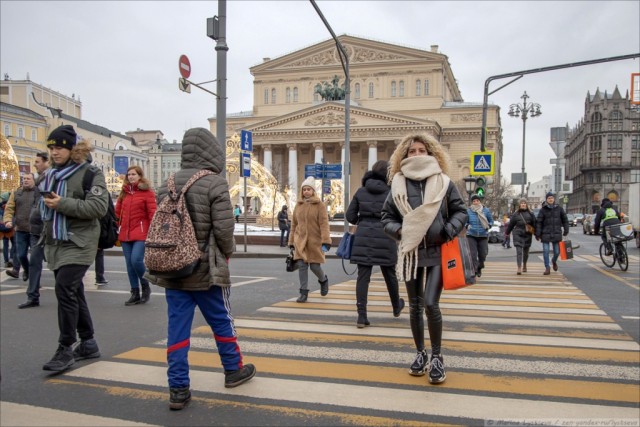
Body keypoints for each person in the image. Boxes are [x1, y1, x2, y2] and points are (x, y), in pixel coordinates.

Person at [146, 127, 255, 410]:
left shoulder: (166, 184)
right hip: (206, 271)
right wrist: (226, 256)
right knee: (221, 320)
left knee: (177, 329)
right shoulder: (215, 183)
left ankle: (178, 389)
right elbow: (224, 230)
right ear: (211, 152)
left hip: (172, 269)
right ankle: (233, 370)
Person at [381, 133, 467, 385]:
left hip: (438, 251)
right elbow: (386, 216)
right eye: (411, 151)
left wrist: (448, 229)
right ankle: (420, 354)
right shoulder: (398, 183)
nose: (416, 154)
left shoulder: (444, 181)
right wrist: (399, 231)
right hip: (411, 252)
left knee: (430, 303)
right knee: (416, 306)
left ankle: (438, 357)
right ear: (404, 156)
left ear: (431, 153)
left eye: (421, 150)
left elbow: (460, 211)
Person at [40, 124, 108, 372]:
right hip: (56, 241)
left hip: (80, 241)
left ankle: (65, 348)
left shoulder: (90, 173)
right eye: (51, 148)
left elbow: (98, 209)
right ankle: (88, 342)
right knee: (74, 291)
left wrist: (62, 204)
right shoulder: (49, 175)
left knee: (65, 289)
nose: (54, 152)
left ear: (72, 148)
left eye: (59, 147)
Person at [346, 160, 404, 328]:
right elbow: (399, 217)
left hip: (363, 236)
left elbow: (350, 216)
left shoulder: (361, 191)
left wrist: (362, 222)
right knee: (389, 274)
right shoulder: (392, 192)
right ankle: (396, 307)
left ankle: (361, 316)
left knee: (363, 277)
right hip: (386, 235)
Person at [115, 165, 157, 305]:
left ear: (140, 176)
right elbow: (117, 213)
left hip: (141, 232)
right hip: (125, 233)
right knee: (129, 264)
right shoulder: (124, 193)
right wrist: (115, 227)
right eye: (129, 175)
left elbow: (152, 214)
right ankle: (134, 292)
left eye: (133, 174)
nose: (131, 177)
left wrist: (153, 232)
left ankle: (145, 286)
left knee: (136, 260)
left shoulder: (147, 193)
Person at [289, 177, 331, 303]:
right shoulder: (298, 205)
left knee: (314, 267)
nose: (306, 191)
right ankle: (303, 293)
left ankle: (323, 280)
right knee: (302, 266)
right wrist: (291, 242)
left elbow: (324, 224)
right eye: (304, 189)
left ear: (313, 191)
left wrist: (326, 241)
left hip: (314, 242)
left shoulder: (320, 205)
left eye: (308, 189)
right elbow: (293, 225)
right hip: (300, 241)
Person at [19, 152, 50, 308]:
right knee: (34, 263)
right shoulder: (39, 181)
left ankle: (70, 298)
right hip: (36, 229)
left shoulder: (52, 178)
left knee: (61, 267)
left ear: (46, 162)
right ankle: (33, 296)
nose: (35, 164)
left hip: (51, 229)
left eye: (38, 161)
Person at [3, 173, 38, 281]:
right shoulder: (17, 192)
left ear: (33, 180)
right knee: (21, 255)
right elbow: (9, 208)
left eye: (28, 179)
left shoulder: (38, 192)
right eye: (24, 179)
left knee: (34, 258)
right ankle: (26, 271)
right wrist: (8, 220)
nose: (25, 180)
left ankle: (34, 281)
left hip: (34, 231)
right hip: (20, 230)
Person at [535, 192, 569, 275]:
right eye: (549, 198)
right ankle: (547, 267)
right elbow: (539, 222)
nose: (550, 199)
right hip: (545, 233)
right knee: (546, 251)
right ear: (546, 200)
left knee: (557, 252)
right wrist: (538, 233)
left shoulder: (559, 209)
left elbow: (565, 220)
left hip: (556, 233)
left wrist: (566, 230)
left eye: (552, 198)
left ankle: (554, 261)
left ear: (554, 199)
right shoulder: (543, 210)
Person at [466, 195, 493, 277]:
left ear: (480, 201)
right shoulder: (469, 211)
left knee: (483, 254)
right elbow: (465, 221)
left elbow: (491, 221)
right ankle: (474, 270)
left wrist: (489, 225)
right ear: (472, 202)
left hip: (483, 235)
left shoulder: (486, 210)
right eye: (474, 201)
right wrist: (467, 226)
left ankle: (480, 267)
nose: (476, 202)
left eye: (477, 200)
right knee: (473, 254)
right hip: (471, 235)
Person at [506, 198, 535, 275]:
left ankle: (524, 264)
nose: (523, 204)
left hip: (527, 234)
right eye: (522, 203)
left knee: (526, 252)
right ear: (519, 205)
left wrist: (537, 234)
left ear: (526, 204)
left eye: (524, 203)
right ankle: (519, 267)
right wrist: (507, 232)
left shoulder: (531, 214)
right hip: (518, 233)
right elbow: (511, 224)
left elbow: (535, 224)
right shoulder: (516, 214)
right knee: (519, 251)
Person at [1, 192, 17, 270]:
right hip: (11, 227)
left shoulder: (1, 206)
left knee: (5, 245)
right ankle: (11, 258)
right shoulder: (11, 205)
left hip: (3, 228)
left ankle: (6, 261)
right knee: (14, 243)